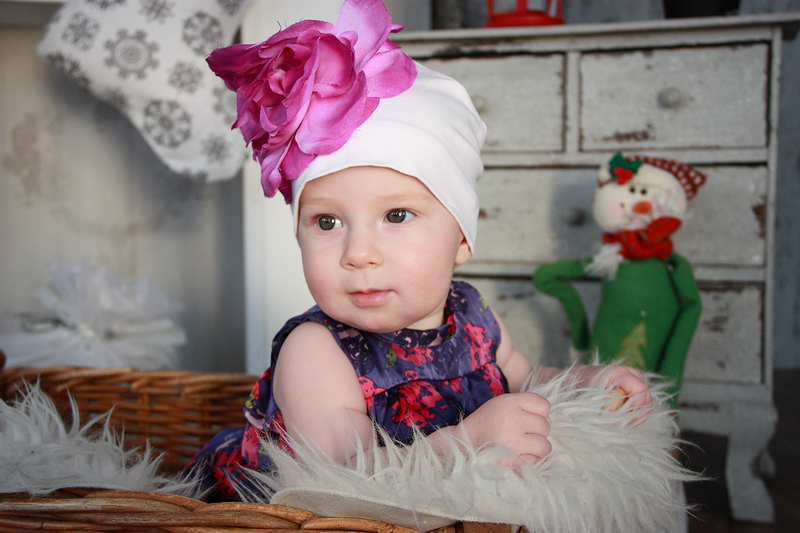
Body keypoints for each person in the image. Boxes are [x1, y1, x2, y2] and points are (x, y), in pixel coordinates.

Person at [187, 0, 652, 501]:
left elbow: (525, 380)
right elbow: (339, 481)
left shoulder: (474, 316)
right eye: (327, 222)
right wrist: (465, 443)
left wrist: (584, 383)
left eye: (396, 216)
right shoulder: (316, 352)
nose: (359, 253)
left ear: (463, 239)